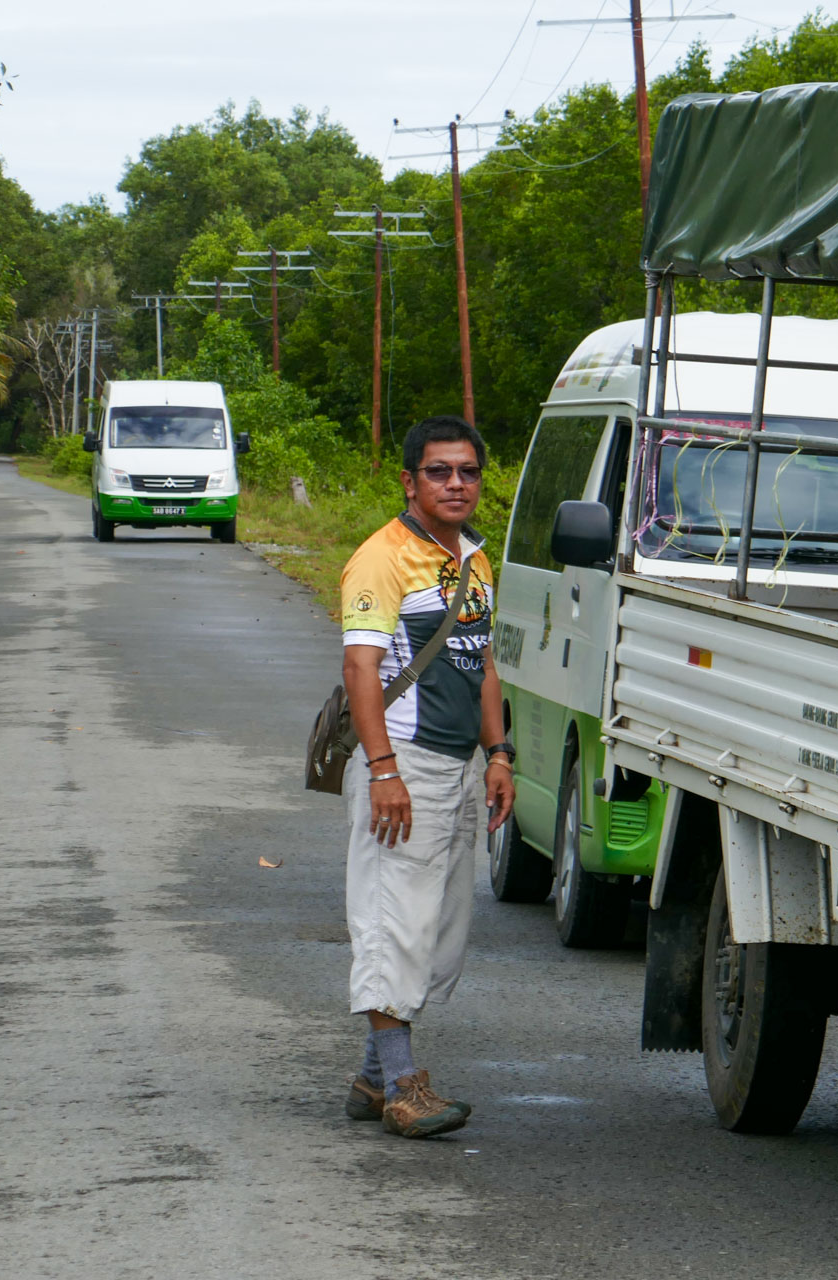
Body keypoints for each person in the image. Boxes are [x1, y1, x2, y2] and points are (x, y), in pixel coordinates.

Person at [337, 416, 516, 1139]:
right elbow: (360, 668)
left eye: (467, 472)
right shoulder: (381, 559)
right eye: (438, 471)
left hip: (457, 765)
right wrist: (383, 770)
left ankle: (372, 1079)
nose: (455, 483)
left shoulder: (474, 556)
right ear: (409, 480)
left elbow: (482, 661)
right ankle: (405, 1087)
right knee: (395, 920)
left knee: (438, 931)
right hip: (403, 762)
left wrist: (498, 754)